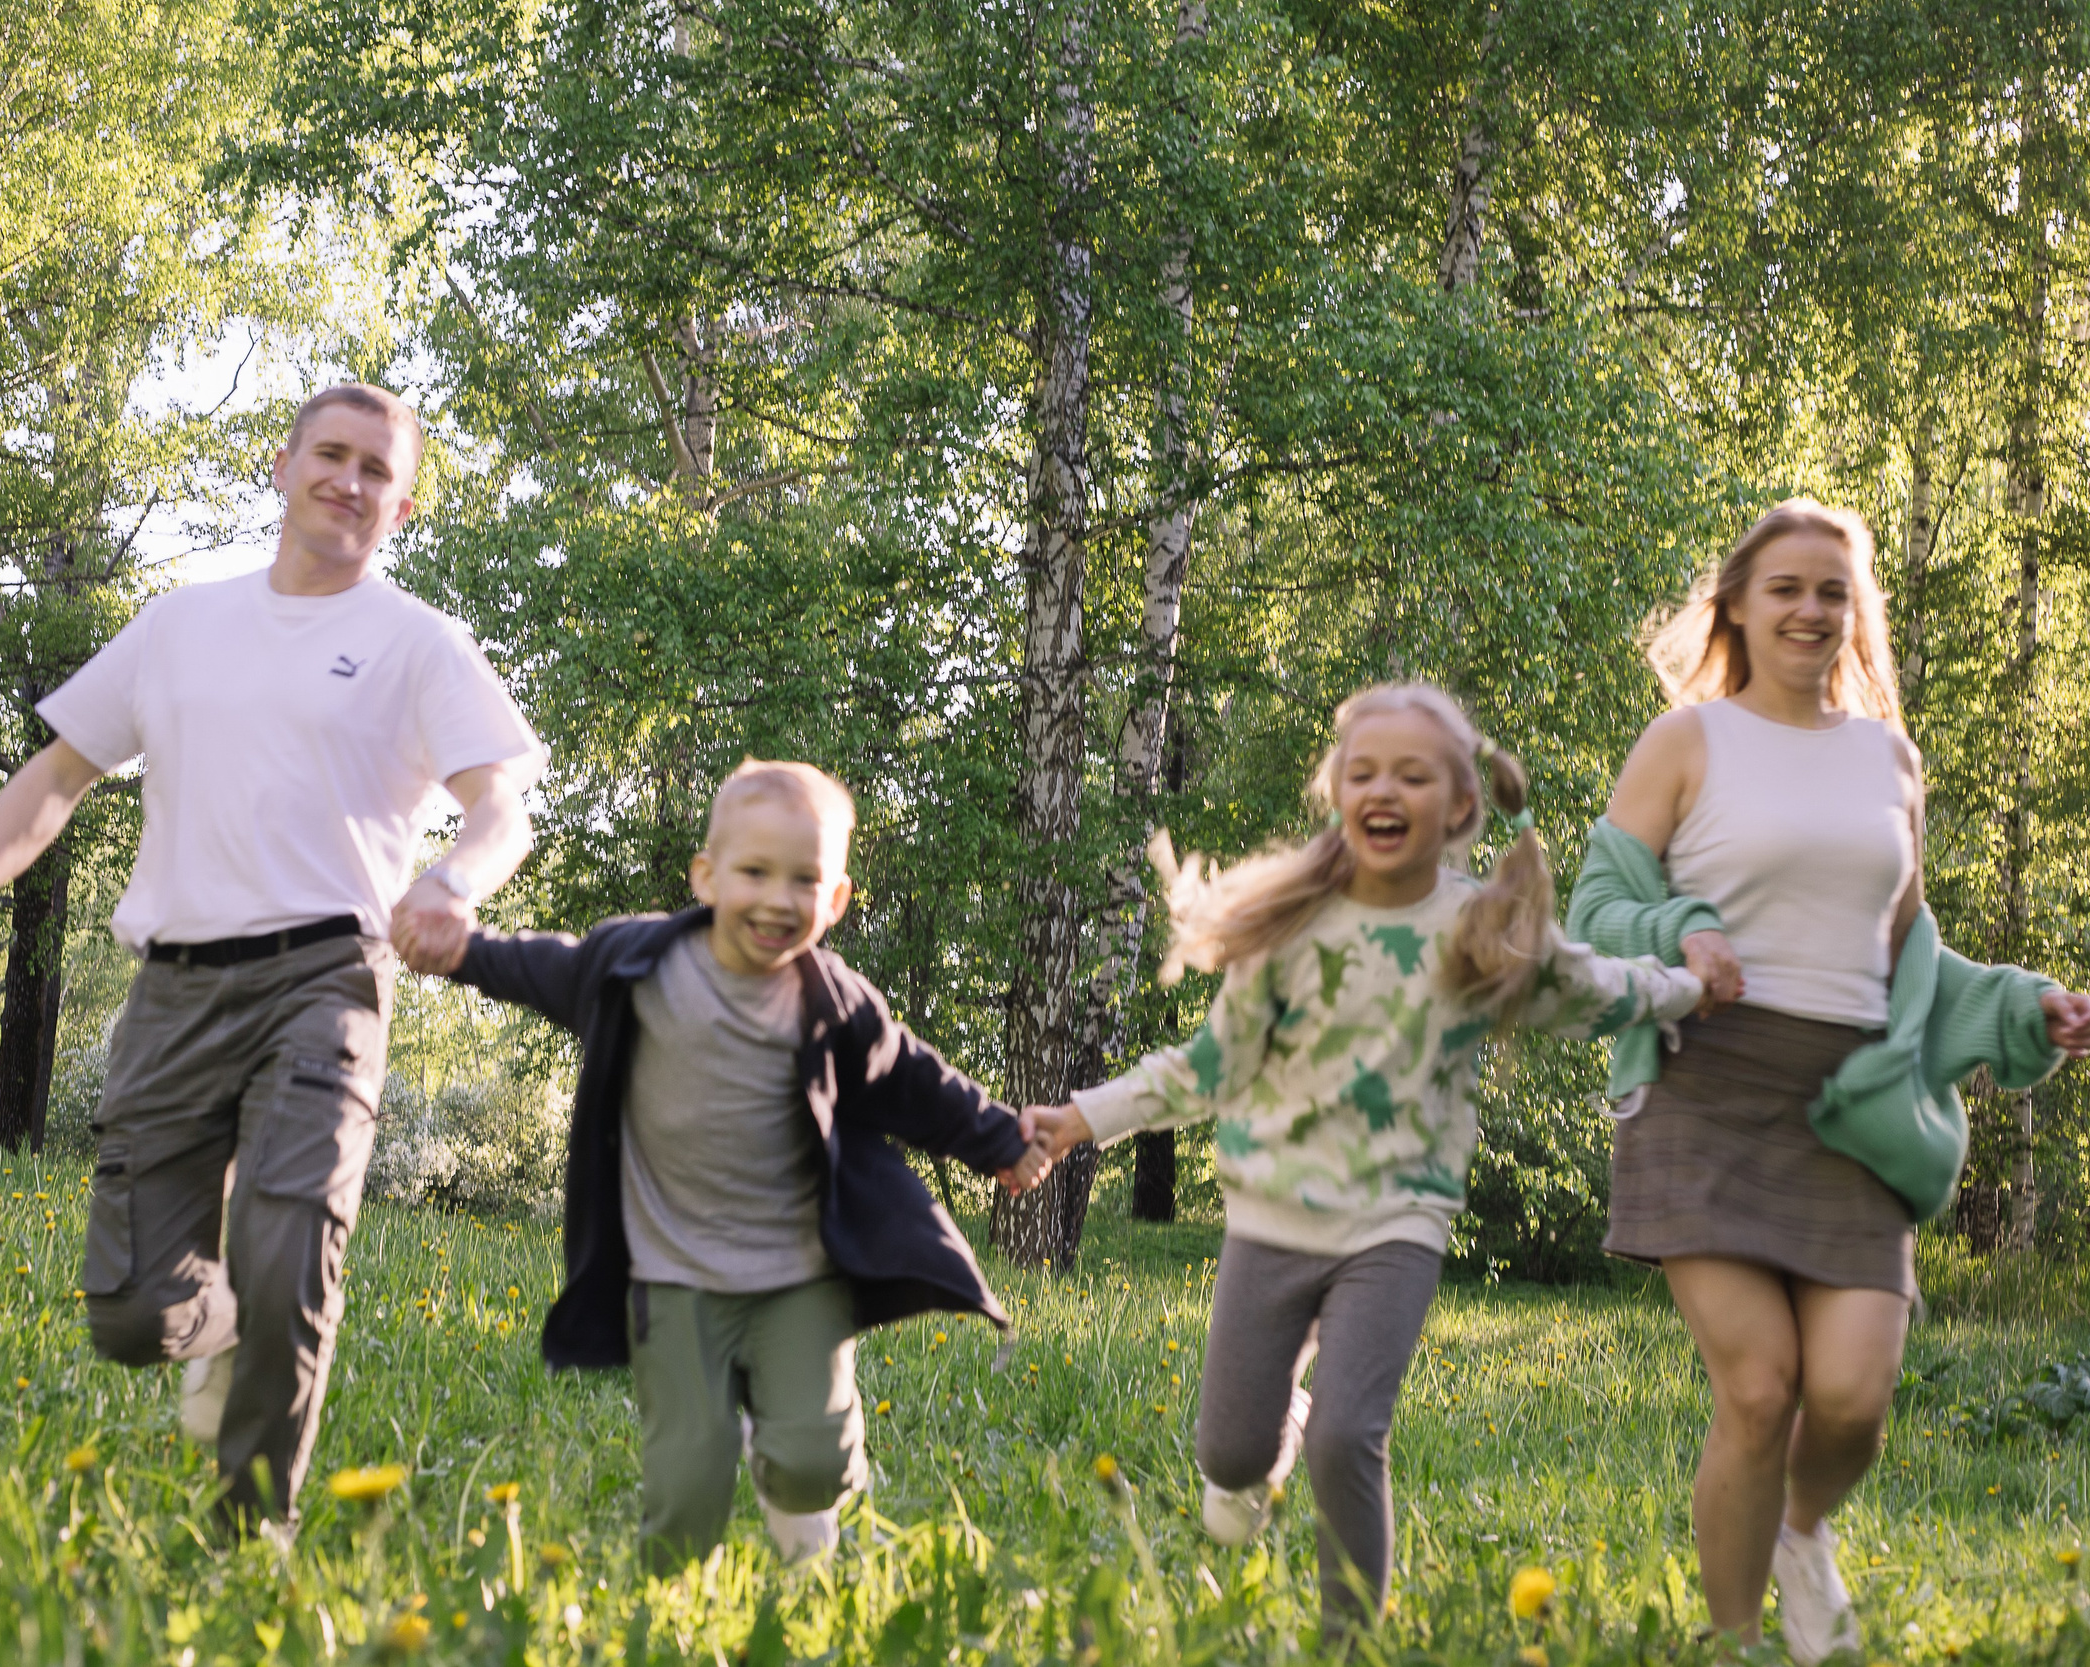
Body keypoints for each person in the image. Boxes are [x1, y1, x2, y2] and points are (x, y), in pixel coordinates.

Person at [0, 383, 546, 1530]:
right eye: (329, 456)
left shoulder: (417, 644)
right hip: (175, 986)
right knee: (132, 1317)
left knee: (294, 1244)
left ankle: (254, 1530)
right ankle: (219, 1330)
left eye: (376, 471)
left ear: (402, 507)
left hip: (327, 978)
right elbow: (58, 776)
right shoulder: (180, 625)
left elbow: (503, 806)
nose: (348, 481)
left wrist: (450, 883)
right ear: (282, 464)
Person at [1023, 684, 1703, 1639]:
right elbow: (1206, 1067)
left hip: (1398, 1219)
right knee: (1227, 1448)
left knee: (1352, 1433)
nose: (1385, 789)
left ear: (1460, 806)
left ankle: (1353, 1637)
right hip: (1272, 1214)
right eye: (1364, 772)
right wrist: (1082, 1117)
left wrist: (1688, 989)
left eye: (1412, 775)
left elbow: (1597, 986)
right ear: (1338, 792)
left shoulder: (1482, 930)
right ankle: (1267, 1446)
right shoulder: (1293, 928)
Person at [1568, 497, 2090, 1660]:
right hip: (1705, 1085)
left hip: (1854, 1102)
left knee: (1850, 1399)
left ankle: (1801, 1534)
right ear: (1739, 609)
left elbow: (1903, 955)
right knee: (1758, 1390)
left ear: (1854, 616)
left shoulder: (1887, 760)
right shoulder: (1686, 743)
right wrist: (1684, 933)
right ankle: (1735, 1637)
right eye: (1785, 589)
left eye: (1831, 591)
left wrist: (2018, 1007)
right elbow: (1594, 912)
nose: (1809, 609)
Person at [402, 758, 1050, 1570]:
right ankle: (675, 1612)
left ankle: (791, 1490)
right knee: (685, 1488)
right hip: (674, 1277)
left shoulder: (833, 1000)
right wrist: (459, 947)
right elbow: (544, 965)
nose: (778, 898)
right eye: (754, 872)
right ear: (706, 877)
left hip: (799, 1273)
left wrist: (998, 1139)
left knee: (815, 1462)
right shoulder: (636, 968)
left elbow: (913, 1079)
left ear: (837, 899)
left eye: (805, 879)